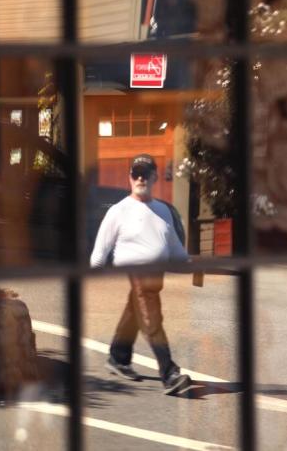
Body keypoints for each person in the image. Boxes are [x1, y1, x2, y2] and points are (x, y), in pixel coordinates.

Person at [90, 154, 192, 395]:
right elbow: (101, 248)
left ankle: (118, 357)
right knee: (150, 316)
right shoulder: (119, 210)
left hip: (155, 274)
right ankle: (169, 371)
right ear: (129, 177)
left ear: (154, 176)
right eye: (135, 173)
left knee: (136, 311)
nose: (140, 178)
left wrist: (189, 264)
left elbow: (175, 248)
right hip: (135, 272)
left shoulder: (163, 211)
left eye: (145, 173)